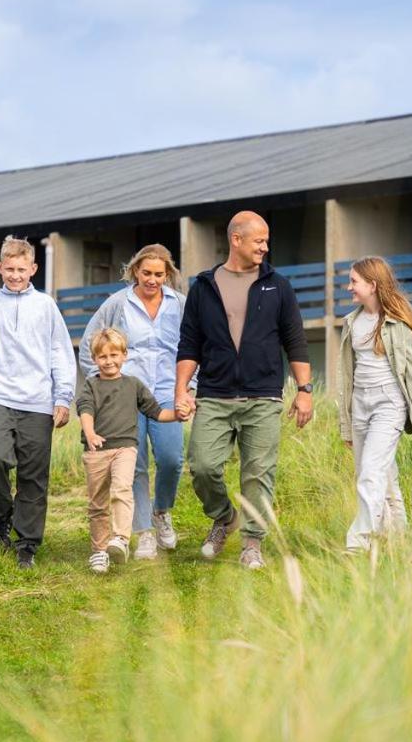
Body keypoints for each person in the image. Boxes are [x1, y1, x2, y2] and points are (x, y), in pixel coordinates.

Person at [175, 210, 314, 570]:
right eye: (259, 241)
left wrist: (305, 389)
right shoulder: (203, 286)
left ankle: (252, 542)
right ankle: (224, 517)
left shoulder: (277, 285)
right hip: (214, 394)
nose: (265, 248)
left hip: (263, 395)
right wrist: (181, 391)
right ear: (236, 239)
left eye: (267, 241)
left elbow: (295, 340)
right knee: (202, 465)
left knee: (258, 472)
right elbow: (189, 345)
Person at [0, 234, 75, 570]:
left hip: (38, 402)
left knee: (33, 475)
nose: (15, 274)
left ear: (33, 269)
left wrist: (63, 397)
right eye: (9, 268)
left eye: (21, 269)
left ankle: (26, 543)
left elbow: (60, 352)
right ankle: (1, 520)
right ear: (0, 268)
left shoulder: (46, 306)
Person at [78, 244, 188, 560]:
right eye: (146, 273)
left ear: (168, 275)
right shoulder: (117, 304)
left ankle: (161, 512)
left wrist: (189, 388)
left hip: (168, 391)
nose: (152, 280)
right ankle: (143, 532)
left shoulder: (180, 305)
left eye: (159, 274)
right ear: (135, 271)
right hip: (127, 396)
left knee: (171, 459)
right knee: (134, 464)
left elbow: (195, 347)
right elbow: (89, 344)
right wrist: (104, 386)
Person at [336, 256, 412, 552]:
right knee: (382, 476)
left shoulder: (397, 324)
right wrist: (346, 423)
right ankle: (398, 541)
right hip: (360, 404)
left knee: (371, 472)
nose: (349, 287)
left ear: (373, 284)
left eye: (354, 281)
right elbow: (347, 376)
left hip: (388, 404)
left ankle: (359, 544)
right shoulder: (352, 322)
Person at [76, 327, 184, 573]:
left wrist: (177, 414)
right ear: (94, 360)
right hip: (96, 451)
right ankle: (99, 551)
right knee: (97, 503)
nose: (109, 361)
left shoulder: (133, 385)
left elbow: (156, 412)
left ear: (124, 355)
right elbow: (85, 410)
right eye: (103, 357)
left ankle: (121, 539)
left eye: (114, 355)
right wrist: (90, 433)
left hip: (125, 449)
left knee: (122, 489)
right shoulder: (91, 386)